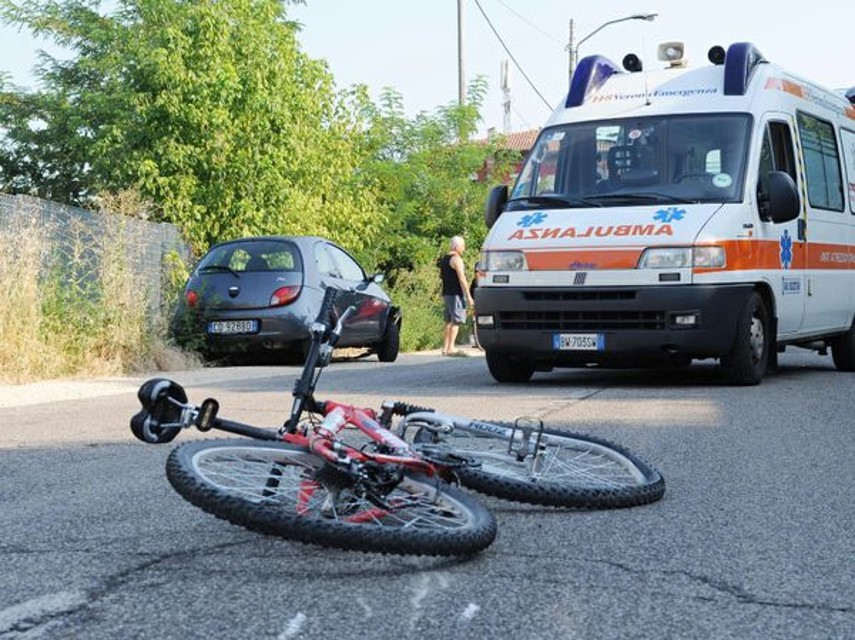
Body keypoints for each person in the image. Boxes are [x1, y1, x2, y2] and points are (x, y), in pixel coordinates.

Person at [439, 235, 474, 356]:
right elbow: (462, 278)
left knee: (448, 320)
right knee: (457, 320)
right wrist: (468, 296)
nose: (464, 249)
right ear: (456, 246)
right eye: (463, 246)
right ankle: (451, 347)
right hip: (456, 294)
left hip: (446, 293)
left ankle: (445, 347)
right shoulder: (456, 259)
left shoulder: (444, 259)